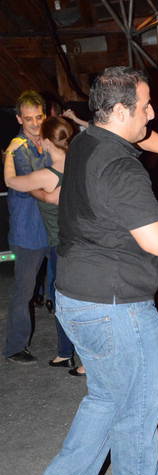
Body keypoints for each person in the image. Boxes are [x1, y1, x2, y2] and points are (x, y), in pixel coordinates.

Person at [26, 66, 158, 475]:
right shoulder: (120, 168)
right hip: (117, 308)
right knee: (137, 411)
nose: (153, 114)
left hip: (76, 298)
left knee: (106, 399)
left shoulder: (88, 141)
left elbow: (143, 136)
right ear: (118, 111)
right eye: (145, 107)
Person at [4, 116, 77, 370]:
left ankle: (69, 353)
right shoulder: (78, 163)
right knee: (68, 296)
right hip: (77, 239)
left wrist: (9, 154)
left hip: (59, 242)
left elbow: (11, 182)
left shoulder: (48, 174)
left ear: (46, 141)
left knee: (60, 299)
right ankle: (67, 352)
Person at [3, 90, 55, 364]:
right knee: (23, 292)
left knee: (62, 287)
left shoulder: (47, 141)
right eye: (28, 118)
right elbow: (37, 180)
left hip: (52, 228)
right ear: (19, 119)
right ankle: (15, 348)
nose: (35, 123)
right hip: (28, 232)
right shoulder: (17, 149)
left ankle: (68, 349)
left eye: (39, 117)